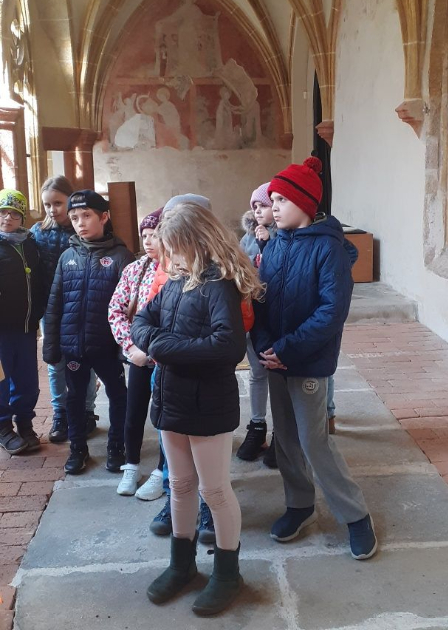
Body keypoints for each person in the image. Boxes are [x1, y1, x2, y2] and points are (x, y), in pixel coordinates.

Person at [131, 202, 262, 616]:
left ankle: (227, 574)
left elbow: (227, 346)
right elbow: (141, 321)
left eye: (174, 247)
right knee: (180, 485)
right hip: (171, 399)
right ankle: (182, 565)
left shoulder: (219, 285)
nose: (169, 256)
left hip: (207, 403)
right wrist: (157, 341)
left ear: (196, 241)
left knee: (214, 490)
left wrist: (161, 347)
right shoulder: (176, 281)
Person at [251, 157, 378, 560]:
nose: (273, 208)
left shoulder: (329, 249)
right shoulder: (274, 245)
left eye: (281, 201)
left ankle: (355, 516)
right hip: (274, 359)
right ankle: (299, 504)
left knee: (313, 441)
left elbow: (331, 312)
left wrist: (286, 348)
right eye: (272, 201)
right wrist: (265, 345)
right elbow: (260, 299)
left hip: (306, 360)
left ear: (305, 203)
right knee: (286, 439)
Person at [43, 190, 134, 474]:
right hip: (74, 346)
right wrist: (51, 345)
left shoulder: (121, 256)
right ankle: (78, 449)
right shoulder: (67, 257)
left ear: (104, 217)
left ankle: (116, 446)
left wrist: (125, 347)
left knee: (118, 395)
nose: (80, 222)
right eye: (74, 218)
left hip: (106, 346)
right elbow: (55, 303)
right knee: (74, 397)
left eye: (86, 216)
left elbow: (131, 307)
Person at [145, 194, 216, 544]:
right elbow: (149, 312)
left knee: (207, 452)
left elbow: (235, 329)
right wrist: (151, 343)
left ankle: (207, 505)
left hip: (203, 372)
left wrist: (168, 345)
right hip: (166, 370)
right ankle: (175, 500)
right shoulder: (168, 267)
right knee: (170, 443)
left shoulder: (220, 274)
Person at [31, 176, 99, 444]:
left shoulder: (84, 230)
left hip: (81, 307)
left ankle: (87, 412)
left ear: (70, 200)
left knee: (85, 359)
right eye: (47, 205)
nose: (52, 210)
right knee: (55, 363)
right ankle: (60, 414)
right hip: (51, 310)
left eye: (58, 203)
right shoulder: (38, 232)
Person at [109, 208, 164, 497]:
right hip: (138, 356)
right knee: (134, 412)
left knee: (165, 417)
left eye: (155, 235)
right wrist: (130, 347)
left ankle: (162, 471)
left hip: (166, 358)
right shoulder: (134, 269)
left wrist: (153, 352)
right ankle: (131, 465)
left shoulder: (176, 270)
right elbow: (116, 310)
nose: (148, 241)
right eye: (145, 236)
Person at [0, 189, 44, 455]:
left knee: (27, 379)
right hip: (2, 329)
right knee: (2, 381)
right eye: (3, 212)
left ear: (22, 218)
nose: (7, 218)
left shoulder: (30, 243)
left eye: (14, 214)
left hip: (27, 327)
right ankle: (4, 427)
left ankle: (25, 423)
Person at [236, 183, 277, 465]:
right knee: (257, 373)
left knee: (280, 378)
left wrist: (269, 243)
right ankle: (257, 426)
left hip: (277, 314)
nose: (259, 211)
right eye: (255, 207)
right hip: (254, 312)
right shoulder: (247, 238)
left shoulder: (285, 236)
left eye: (264, 205)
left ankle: (282, 434)